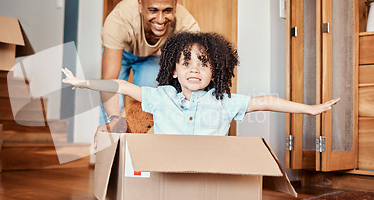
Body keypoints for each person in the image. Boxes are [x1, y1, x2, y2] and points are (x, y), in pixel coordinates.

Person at [63, 31, 339, 136]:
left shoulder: (225, 102)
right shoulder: (161, 97)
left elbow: (266, 101)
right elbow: (120, 85)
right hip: (163, 170)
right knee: (129, 129)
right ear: (173, 71)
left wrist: (310, 109)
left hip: (204, 172)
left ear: (214, 73)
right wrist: (84, 82)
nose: (194, 69)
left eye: (203, 63)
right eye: (186, 62)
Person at [99, 0, 200, 133]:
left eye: (167, 10)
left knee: (142, 107)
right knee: (111, 113)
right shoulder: (119, 20)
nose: (160, 19)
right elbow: (109, 83)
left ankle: (134, 155)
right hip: (122, 53)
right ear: (141, 6)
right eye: (153, 10)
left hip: (153, 57)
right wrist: (114, 119)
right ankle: (107, 152)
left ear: (175, 5)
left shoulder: (186, 25)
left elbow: (194, 69)